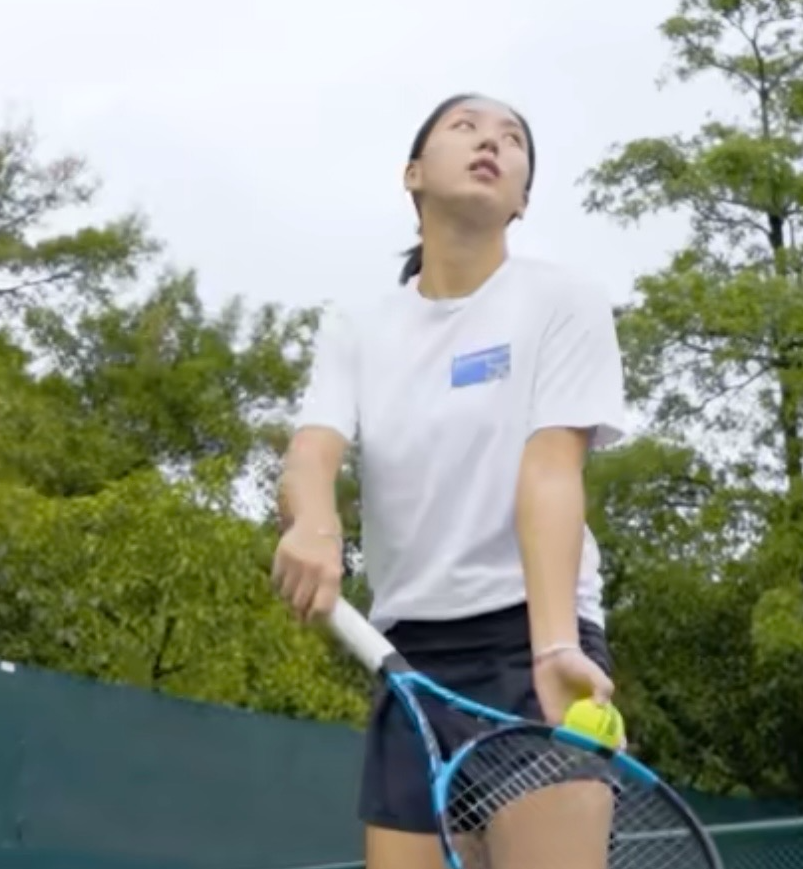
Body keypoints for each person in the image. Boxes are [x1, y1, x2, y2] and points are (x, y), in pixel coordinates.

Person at [271, 93, 627, 869]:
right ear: (413, 175)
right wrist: (314, 523)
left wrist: (554, 643)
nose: (491, 142)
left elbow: (551, 471)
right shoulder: (356, 326)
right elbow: (312, 451)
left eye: (513, 139)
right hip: (406, 665)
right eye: (465, 128)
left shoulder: (563, 301)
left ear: (523, 199)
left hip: (530, 644)